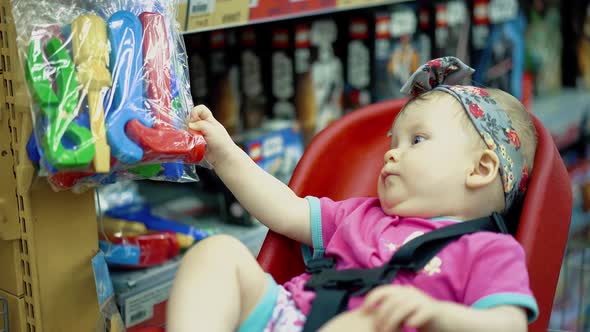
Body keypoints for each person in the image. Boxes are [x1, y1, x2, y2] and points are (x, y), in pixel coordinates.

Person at [167, 57, 539, 332]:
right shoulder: (359, 214)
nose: (391, 152)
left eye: (418, 140)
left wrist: (437, 316)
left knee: (370, 323)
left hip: (377, 325)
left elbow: (508, 324)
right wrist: (224, 154)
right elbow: (282, 209)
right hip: (292, 316)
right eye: (393, 142)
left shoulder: (489, 251)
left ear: (480, 169)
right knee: (218, 253)